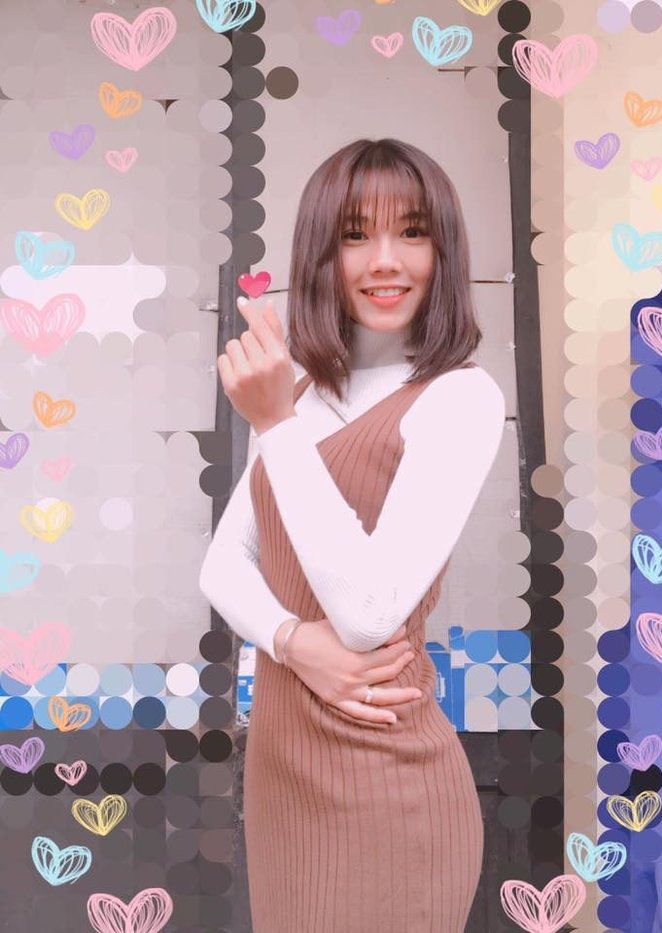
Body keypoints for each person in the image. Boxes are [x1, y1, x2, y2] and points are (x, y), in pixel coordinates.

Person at [199, 138, 506, 932]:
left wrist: (274, 424)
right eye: (354, 234)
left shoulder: (460, 398)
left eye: (412, 231)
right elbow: (223, 565)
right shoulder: (300, 392)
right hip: (283, 784)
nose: (385, 261)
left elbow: (369, 613)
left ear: (443, 249)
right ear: (321, 254)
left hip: (385, 786)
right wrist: (296, 644)